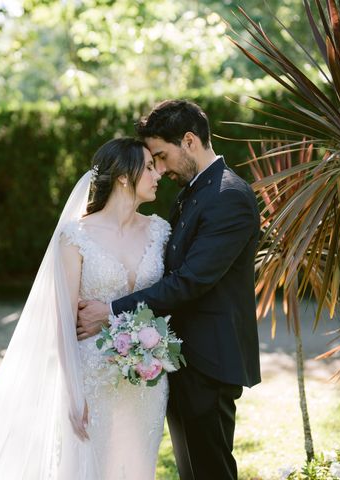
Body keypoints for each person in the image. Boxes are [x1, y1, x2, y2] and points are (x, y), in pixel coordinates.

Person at [0, 137, 171, 480]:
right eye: (150, 167)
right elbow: (63, 321)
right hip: (93, 375)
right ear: (124, 176)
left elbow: (166, 296)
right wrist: (73, 393)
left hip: (148, 377)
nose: (159, 174)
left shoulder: (160, 230)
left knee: (139, 466)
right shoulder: (75, 236)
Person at [78, 99, 262, 480]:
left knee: (209, 469)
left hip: (209, 362)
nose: (159, 168)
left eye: (161, 156)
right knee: (192, 469)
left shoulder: (229, 196)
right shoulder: (195, 192)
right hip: (181, 361)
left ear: (190, 141)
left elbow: (190, 281)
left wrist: (111, 309)